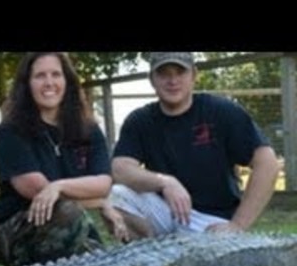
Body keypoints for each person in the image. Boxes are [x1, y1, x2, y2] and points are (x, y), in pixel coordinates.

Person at [109, 52, 280, 240]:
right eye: (164, 73)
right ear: (152, 79)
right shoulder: (140, 120)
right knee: (114, 196)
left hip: (212, 221)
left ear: (194, 76)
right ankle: (150, 257)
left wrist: (238, 224)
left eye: (180, 72)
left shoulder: (221, 111)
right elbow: (119, 169)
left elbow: (268, 163)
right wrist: (166, 182)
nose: (172, 80)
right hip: (167, 210)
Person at [0, 52, 116, 266]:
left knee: (100, 264)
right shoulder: (11, 130)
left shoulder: (89, 128)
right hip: (14, 229)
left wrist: (60, 185)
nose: (49, 83)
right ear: (27, 84)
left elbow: (103, 183)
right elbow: (37, 191)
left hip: (69, 221)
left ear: (67, 81)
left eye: (56, 74)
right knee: (68, 214)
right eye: (40, 76)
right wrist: (100, 202)